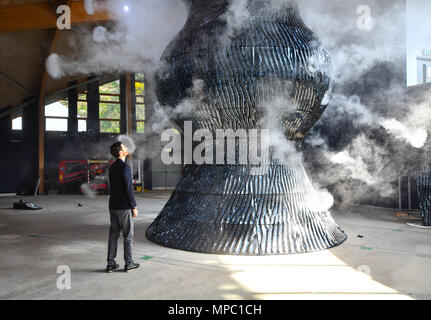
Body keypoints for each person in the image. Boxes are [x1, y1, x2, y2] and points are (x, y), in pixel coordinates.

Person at [106, 142, 140, 273]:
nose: (127, 148)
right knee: (128, 236)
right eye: (125, 147)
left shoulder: (112, 167)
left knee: (113, 236)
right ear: (121, 152)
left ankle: (110, 263)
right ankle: (129, 263)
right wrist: (134, 206)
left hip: (113, 205)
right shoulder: (125, 167)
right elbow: (128, 187)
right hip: (123, 207)